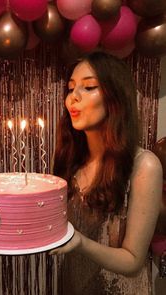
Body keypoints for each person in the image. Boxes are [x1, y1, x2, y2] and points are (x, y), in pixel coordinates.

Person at [50, 52, 163, 295]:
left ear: (116, 98)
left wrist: (80, 243)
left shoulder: (143, 166)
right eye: (70, 89)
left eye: (89, 87)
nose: (73, 98)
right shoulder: (71, 161)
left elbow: (132, 262)